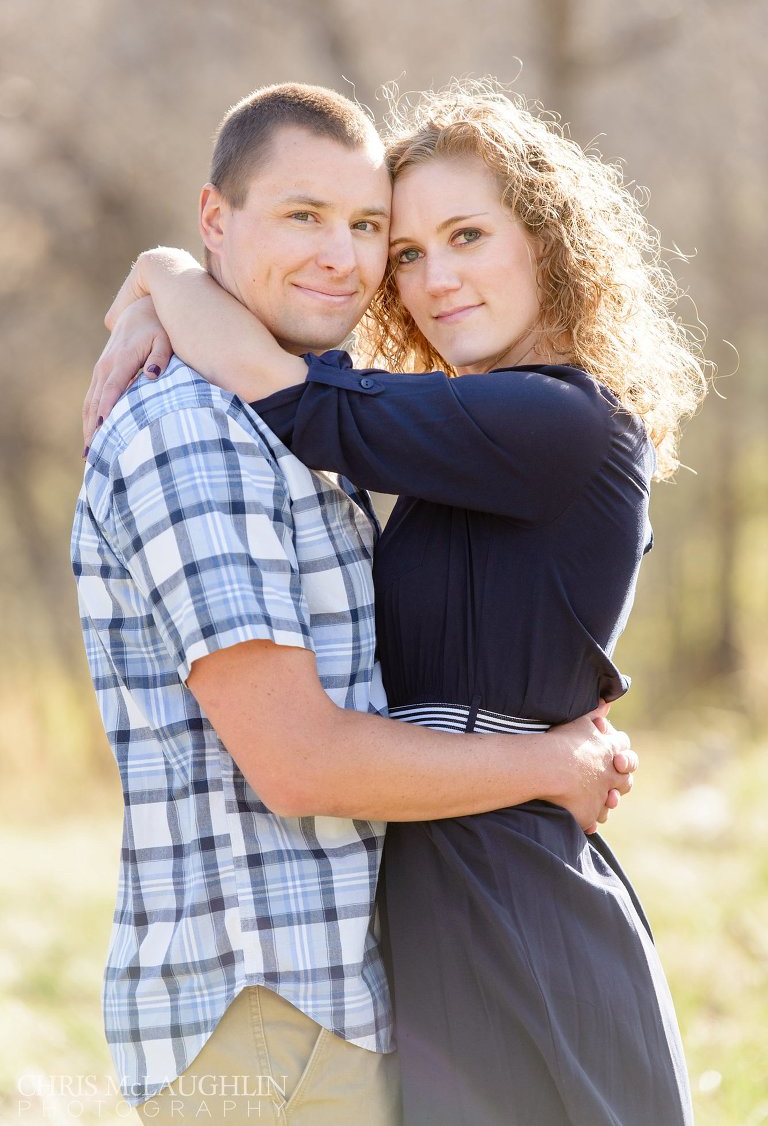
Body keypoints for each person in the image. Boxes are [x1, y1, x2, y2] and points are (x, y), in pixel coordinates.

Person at [89, 81, 706, 1126]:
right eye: (409, 253)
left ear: (549, 241)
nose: (434, 280)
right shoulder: (466, 435)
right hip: (430, 887)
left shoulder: (562, 420)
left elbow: (299, 396)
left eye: (466, 235)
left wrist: (163, 274)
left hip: (506, 897)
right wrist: (170, 283)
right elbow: (315, 386)